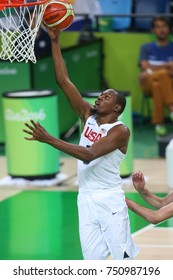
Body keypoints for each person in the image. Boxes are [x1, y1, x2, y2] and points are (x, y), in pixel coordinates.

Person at [23, 28, 139, 260]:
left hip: (109, 199)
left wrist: (49, 139)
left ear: (117, 108)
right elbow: (63, 80)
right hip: (85, 198)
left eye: (106, 96)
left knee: (124, 265)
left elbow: (89, 154)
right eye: (100, 95)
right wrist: (55, 41)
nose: (98, 98)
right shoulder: (88, 116)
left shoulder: (120, 131)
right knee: (91, 265)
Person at [138, 16, 173, 136]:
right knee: (163, 74)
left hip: (165, 84)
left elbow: (148, 69)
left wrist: (152, 68)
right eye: (158, 27)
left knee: (157, 85)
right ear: (153, 30)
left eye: (164, 26)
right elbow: (144, 67)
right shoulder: (146, 47)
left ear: (169, 29)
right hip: (147, 84)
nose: (161, 30)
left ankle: (159, 124)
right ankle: (172, 107)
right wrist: (167, 66)